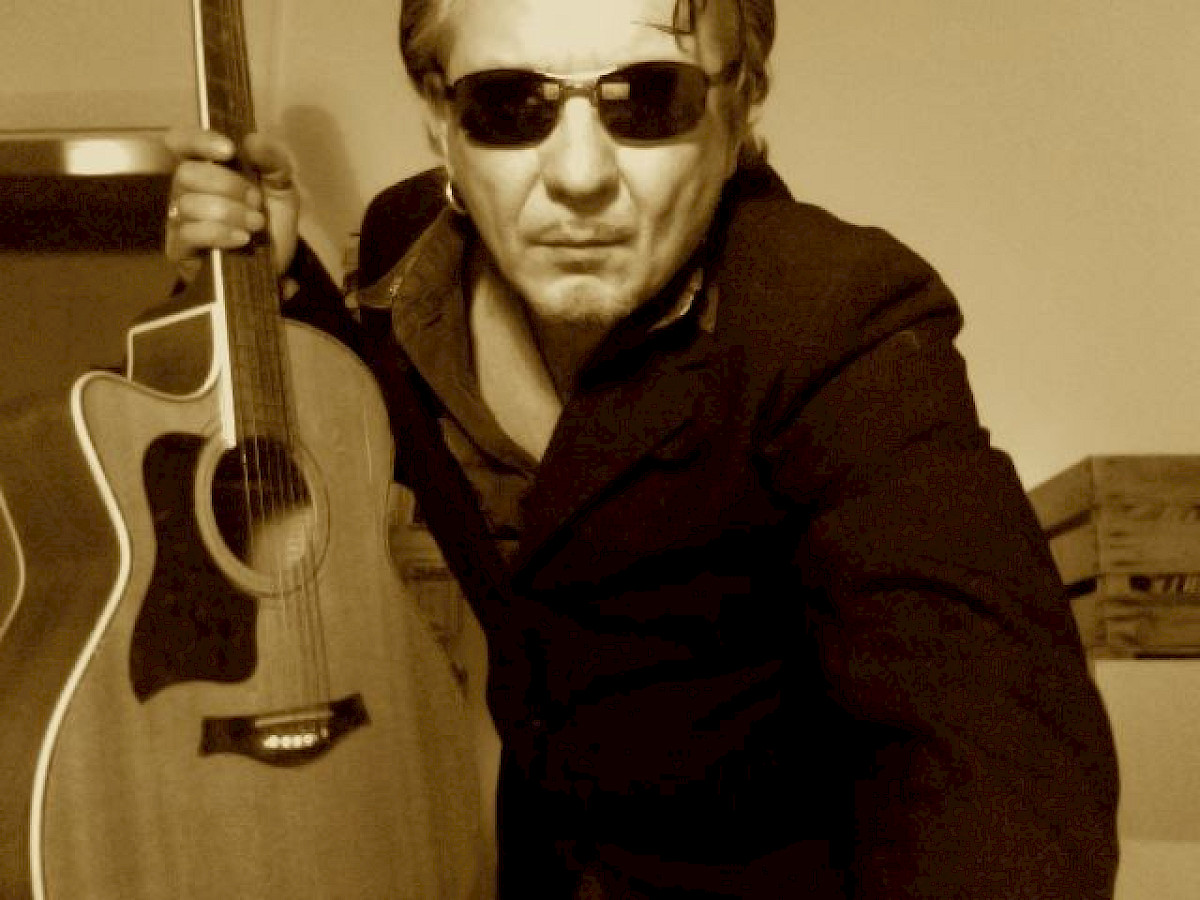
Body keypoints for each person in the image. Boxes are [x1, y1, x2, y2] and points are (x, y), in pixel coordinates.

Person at [164, 0, 1120, 896]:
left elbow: (996, 755)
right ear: (438, 117)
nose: (579, 175)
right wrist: (273, 280)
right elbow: (376, 424)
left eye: (649, 99)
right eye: (509, 104)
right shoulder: (403, 251)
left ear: (739, 107)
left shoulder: (839, 321)